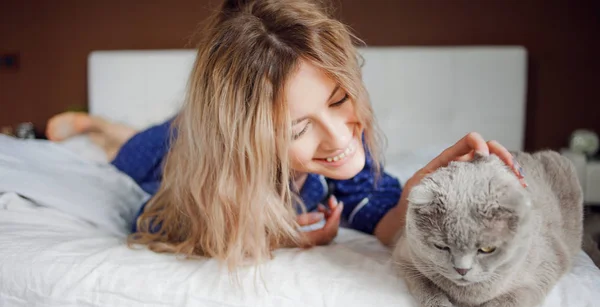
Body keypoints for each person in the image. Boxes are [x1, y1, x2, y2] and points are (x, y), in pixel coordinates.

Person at [46, 0, 524, 268]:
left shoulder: (344, 162)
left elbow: (386, 221)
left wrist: (418, 194)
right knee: (122, 149)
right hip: (164, 145)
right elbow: (151, 222)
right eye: (299, 128)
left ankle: (100, 126)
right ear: (249, 139)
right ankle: (99, 127)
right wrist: (283, 237)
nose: (339, 138)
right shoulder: (213, 178)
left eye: (339, 101)